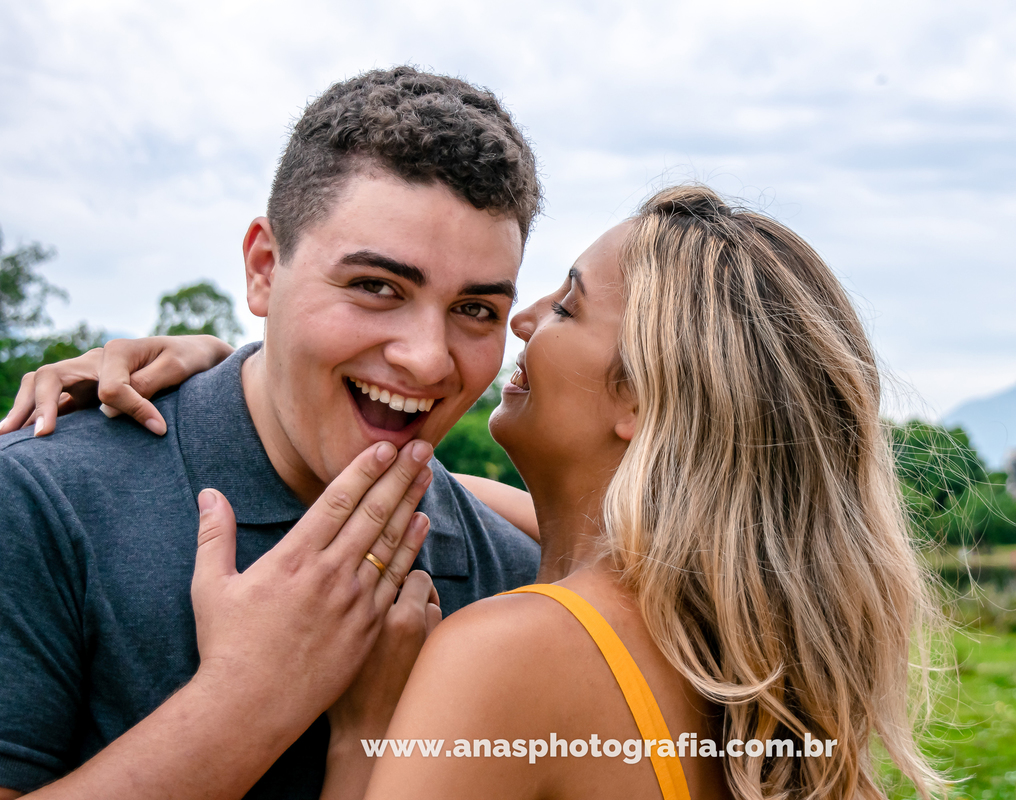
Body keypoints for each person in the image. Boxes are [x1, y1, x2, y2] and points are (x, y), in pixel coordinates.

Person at [25, 186, 948, 799]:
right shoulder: (719, 645)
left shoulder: (507, 653)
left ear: (641, 396)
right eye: (375, 288)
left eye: (567, 305)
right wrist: (234, 372)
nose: (524, 322)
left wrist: (367, 731)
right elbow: (432, 484)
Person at [0, 66, 542, 799]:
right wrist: (247, 699)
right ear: (263, 269)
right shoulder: (38, 500)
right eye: (375, 287)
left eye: (475, 309)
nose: (427, 359)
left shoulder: (519, 585)